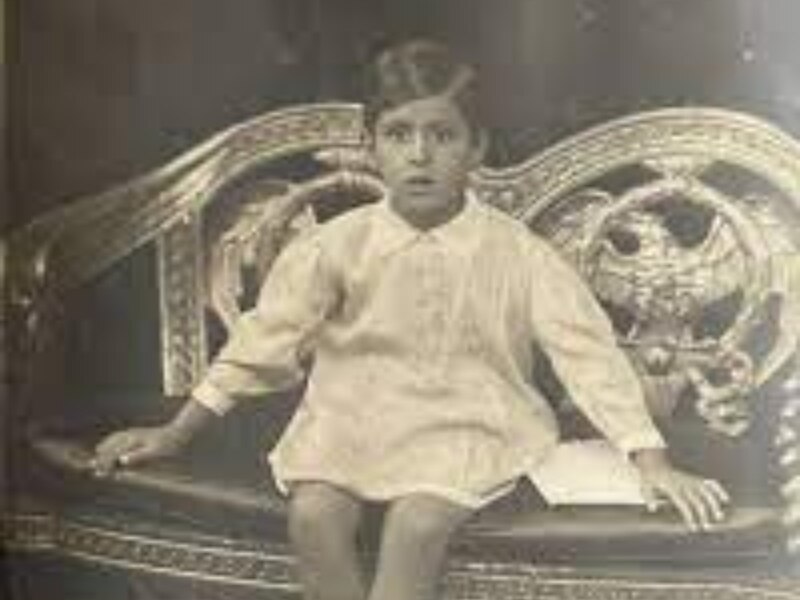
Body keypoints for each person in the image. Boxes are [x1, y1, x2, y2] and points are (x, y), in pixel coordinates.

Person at [92, 40, 729, 600]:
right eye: (399, 135)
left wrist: (651, 460)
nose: (419, 155)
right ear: (371, 148)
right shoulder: (336, 245)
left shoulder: (519, 254)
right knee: (313, 516)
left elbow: (587, 356)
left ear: (476, 147)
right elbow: (263, 341)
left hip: (471, 422)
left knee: (418, 525)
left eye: (442, 135)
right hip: (353, 420)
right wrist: (176, 432)